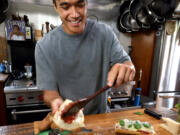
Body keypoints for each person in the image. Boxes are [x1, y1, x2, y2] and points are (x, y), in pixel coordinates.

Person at [35, 0, 136, 115]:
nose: (74, 14)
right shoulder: (44, 46)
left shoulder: (105, 34)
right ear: (55, 7)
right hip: (68, 120)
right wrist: (55, 101)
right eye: (65, 7)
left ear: (86, 3)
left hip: (101, 119)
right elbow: (49, 94)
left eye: (80, 4)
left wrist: (128, 67)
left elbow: (127, 64)